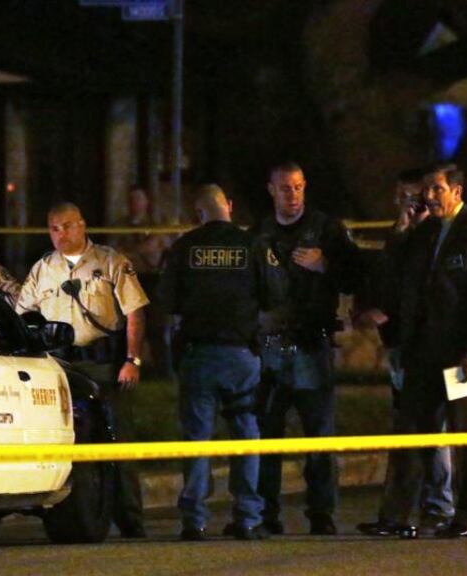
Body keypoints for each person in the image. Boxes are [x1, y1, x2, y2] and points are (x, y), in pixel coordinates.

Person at [373, 163, 467, 539]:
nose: (428, 196)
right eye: (426, 190)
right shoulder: (424, 231)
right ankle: (397, 516)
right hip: (423, 354)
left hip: (465, 357)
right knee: (411, 433)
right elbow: (397, 273)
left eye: (437, 189)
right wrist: (401, 230)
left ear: (457, 192)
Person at [16, 201, 150, 538]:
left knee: (116, 441)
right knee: (68, 443)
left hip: (103, 365)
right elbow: (24, 316)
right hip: (59, 368)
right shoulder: (43, 269)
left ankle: (130, 518)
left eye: (67, 226)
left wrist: (132, 360)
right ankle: (79, 514)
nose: (61, 234)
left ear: (82, 225)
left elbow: (135, 312)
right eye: (54, 228)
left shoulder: (110, 262)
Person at [158, 184, 272, 541]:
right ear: (230, 207)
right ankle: (248, 517)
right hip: (241, 355)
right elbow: (275, 294)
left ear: (199, 212)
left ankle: (194, 520)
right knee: (246, 436)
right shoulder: (253, 245)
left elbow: (166, 300)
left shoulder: (183, 247)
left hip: (199, 355)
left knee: (197, 439)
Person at [255, 161, 361, 535]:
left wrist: (325, 266)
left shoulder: (327, 229)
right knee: (266, 438)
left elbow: (355, 275)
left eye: (299, 187)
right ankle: (265, 515)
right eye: (285, 188)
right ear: (271, 189)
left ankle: (322, 513)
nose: (293, 195)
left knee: (319, 437)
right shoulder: (260, 232)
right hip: (269, 348)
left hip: (312, 346)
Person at [355, 169, 454, 537]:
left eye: (410, 197)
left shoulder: (433, 238)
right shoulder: (402, 236)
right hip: (400, 346)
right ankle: (407, 511)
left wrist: (389, 312)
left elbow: (418, 291)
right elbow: (385, 277)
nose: (404, 204)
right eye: (399, 197)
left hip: (427, 350)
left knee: (432, 430)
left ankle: (438, 507)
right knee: (409, 427)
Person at [108, 185, 172, 373]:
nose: (135, 203)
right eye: (131, 199)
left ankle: (163, 372)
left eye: (138, 198)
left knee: (156, 328)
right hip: (129, 282)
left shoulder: (157, 225)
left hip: (152, 281)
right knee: (125, 329)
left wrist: (134, 252)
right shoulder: (119, 227)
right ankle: (121, 371)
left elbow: (158, 249)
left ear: (146, 202)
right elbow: (116, 255)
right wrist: (143, 249)